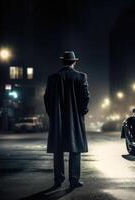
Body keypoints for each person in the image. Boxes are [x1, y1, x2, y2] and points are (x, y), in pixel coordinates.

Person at [44, 51, 90, 189]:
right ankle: (74, 180)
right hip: (74, 117)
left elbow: (47, 98)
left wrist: (52, 114)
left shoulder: (53, 77)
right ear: (74, 62)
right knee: (75, 149)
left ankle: (58, 180)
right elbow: (85, 97)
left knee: (58, 149)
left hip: (58, 118)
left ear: (63, 62)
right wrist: (82, 112)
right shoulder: (81, 76)